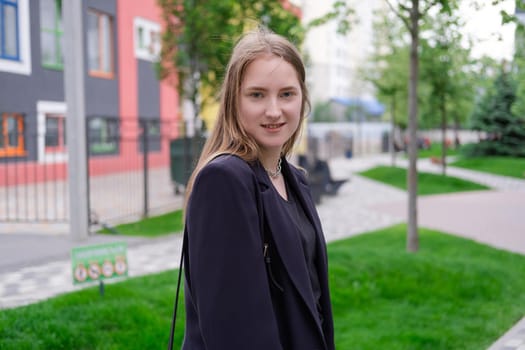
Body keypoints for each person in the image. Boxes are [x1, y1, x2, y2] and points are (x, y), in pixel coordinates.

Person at [181, 27, 335, 350]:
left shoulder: (294, 179)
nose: (274, 110)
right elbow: (234, 332)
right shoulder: (224, 181)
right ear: (233, 100)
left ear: (303, 98)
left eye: (287, 94)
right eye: (257, 94)